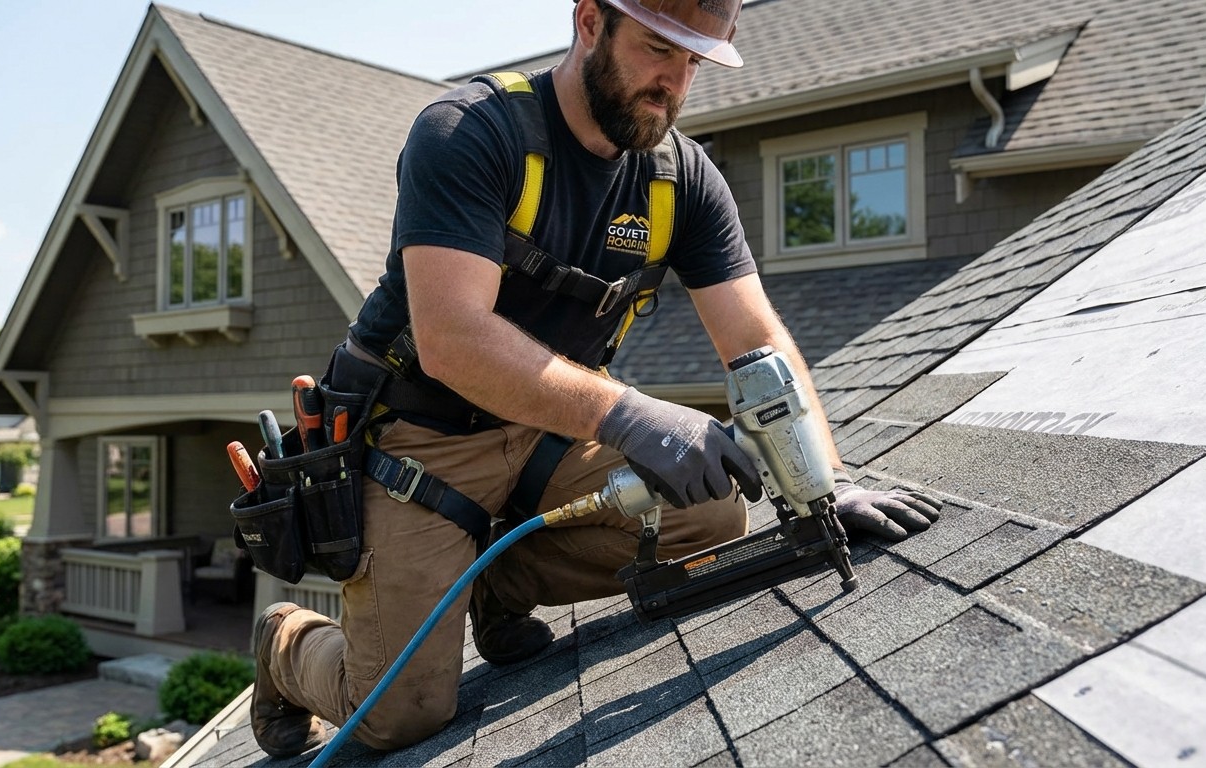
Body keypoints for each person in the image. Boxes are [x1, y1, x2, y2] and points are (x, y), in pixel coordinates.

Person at [250, 0, 942, 757]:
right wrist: (634, 416)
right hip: (423, 443)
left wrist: (825, 479)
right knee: (400, 715)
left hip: (550, 429)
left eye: (692, 64)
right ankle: (287, 642)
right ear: (588, 22)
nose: (673, 83)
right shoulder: (469, 133)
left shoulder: (683, 180)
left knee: (709, 516)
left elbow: (755, 340)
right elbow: (451, 340)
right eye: (656, 50)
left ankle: (493, 582)